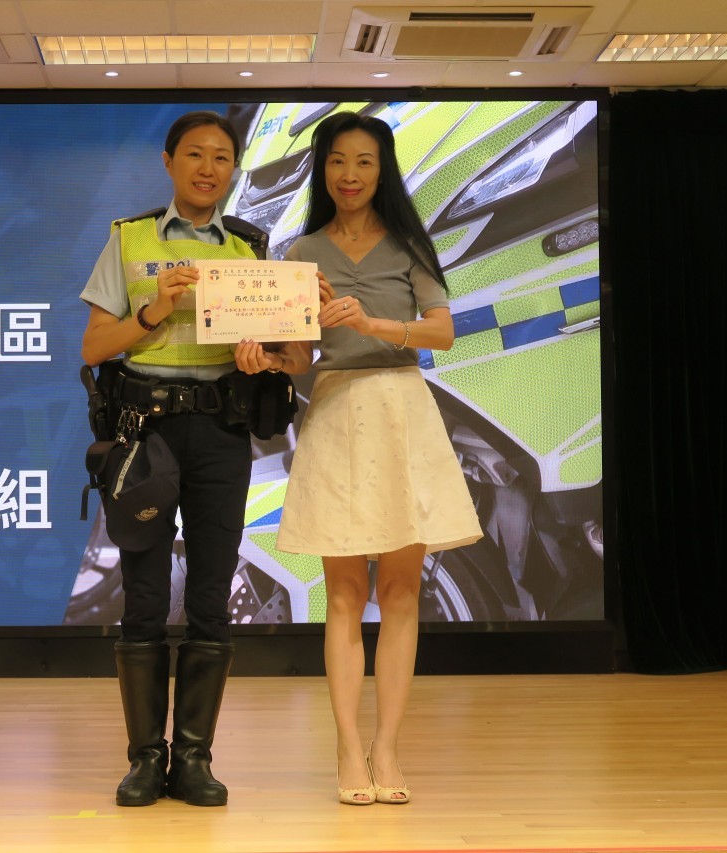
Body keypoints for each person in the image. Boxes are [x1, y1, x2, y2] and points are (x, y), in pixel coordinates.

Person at [235, 111, 483, 806]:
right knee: (343, 593)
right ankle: (348, 746)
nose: (350, 175)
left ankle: (388, 747)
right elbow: (300, 355)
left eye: (364, 162)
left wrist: (371, 321)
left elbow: (443, 332)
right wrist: (267, 358)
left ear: (383, 170)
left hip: (402, 410)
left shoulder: (408, 245)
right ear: (323, 170)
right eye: (338, 161)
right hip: (336, 410)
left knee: (401, 592)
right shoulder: (302, 250)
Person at [79, 111, 269, 808]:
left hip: (221, 431)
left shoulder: (250, 249)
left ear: (233, 169)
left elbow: (282, 350)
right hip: (145, 434)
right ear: (168, 162)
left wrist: (267, 354)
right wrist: (155, 310)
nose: (208, 168)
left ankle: (193, 758)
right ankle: (144, 759)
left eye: (222, 157)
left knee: (213, 597)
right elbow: (93, 347)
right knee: (145, 599)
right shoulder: (129, 239)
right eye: (195, 154)